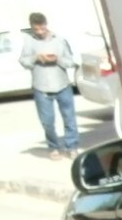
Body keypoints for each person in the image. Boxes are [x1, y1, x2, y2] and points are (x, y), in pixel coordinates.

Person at [19, 12, 78, 158]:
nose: (39, 32)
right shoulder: (29, 42)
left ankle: (72, 146)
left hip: (62, 84)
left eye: (42, 28)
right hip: (41, 87)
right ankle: (53, 147)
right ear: (32, 28)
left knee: (69, 118)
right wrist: (36, 58)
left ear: (46, 25)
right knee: (47, 121)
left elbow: (71, 62)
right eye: (36, 30)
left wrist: (57, 59)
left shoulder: (59, 40)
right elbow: (23, 61)